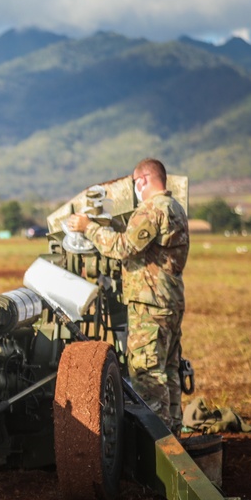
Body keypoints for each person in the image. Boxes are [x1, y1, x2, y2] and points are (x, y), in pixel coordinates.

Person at [66, 158, 189, 432]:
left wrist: (88, 227)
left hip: (150, 303)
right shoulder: (176, 208)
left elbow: (124, 247)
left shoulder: (152, 209)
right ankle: (173, 437)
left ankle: (158, 444)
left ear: (143, 180)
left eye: (136, 183)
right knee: (168, 372)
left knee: (147, 374)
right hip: (169, 301)